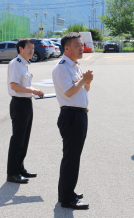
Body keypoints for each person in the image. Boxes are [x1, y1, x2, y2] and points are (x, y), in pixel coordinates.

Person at [52, 32, 93, 210]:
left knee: (74, 157)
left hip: (80, 114)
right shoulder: (61, 67)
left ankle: (67, 192)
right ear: (66, 48)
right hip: (71, 116)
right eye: (77, 45)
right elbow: (68, 92)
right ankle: (67, 198)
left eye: (82, 45)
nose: (81, 48)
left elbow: (84, 90)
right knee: (71, 157)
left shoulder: (75, 66)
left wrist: (86, 81)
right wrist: (84, 79)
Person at [6, 38, 44, 184]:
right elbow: (15, 85)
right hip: (19, 103)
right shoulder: (16, 63)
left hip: (26, 103)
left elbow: (22, 83)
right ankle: (12, 173)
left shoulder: (25, 64)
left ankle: (20, 168)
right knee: (18, 139)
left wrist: (30, 86)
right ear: (20, 49)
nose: (31, 50)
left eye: (33, 48)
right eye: (28, 47)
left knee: (24, 138)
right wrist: (33, 90)